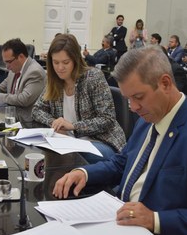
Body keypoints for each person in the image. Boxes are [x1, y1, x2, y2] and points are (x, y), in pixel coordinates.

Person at [53, 46, 187, 235]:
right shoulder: (147, 119)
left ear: (165, 83)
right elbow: (122, 162)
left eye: (138, 97)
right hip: (119, 224)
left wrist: (155, 219)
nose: (132, 107)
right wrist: (84, 173)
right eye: (128, 99)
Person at [32, 34, 126, 163]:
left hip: (102, 141)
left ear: (75, 59)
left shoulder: (93, 77)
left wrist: (73, 126)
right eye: (55, 62)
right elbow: (37, 110)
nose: (60, 68)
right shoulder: (55, 81)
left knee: (69, 154)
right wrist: (55, 123)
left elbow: (107, 119)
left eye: (65, 62)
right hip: (69, 141)